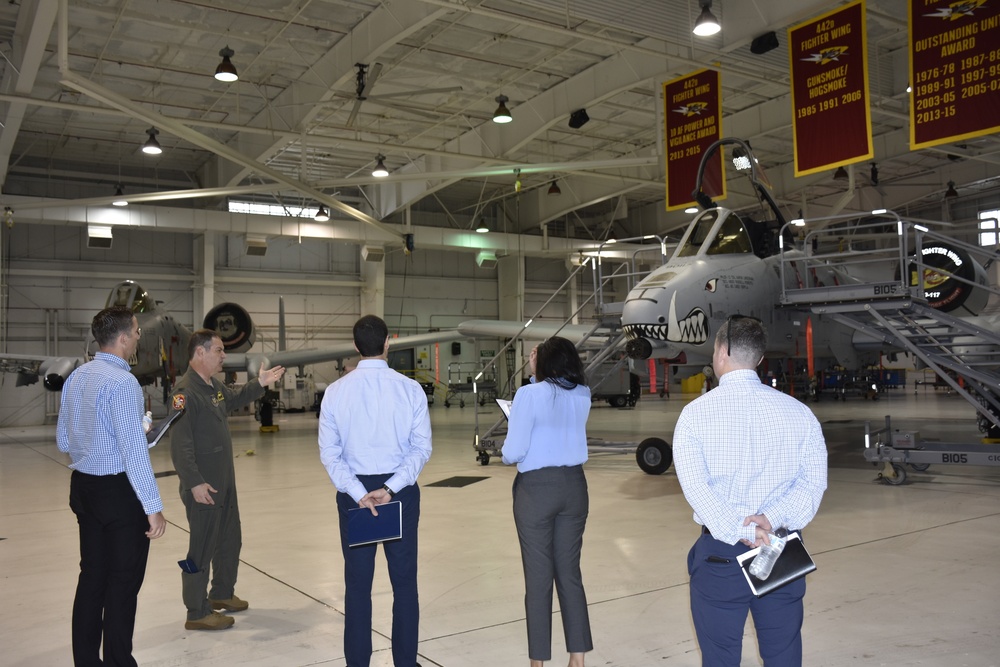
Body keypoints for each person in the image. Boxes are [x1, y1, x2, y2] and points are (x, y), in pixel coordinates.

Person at [673, 315, 828, 666]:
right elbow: (813, 483)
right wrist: (769, 522)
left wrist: (744, 530)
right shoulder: (800, 414)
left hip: (721, 555)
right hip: (779, 550)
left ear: (722, 352)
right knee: (783, 653)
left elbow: (697, 489)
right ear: (759, 359)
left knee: (721, 657)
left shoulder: (694, 415)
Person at [57, 306, 167, 667]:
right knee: (122, 585)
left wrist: (134, 429)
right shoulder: (123, 383)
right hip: (119, 496)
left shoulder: (77, 377)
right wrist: (153, 508)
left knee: (92, 578)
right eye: (136, 331)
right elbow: (134, 455)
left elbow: (63, 441)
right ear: (122, 338)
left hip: (84, 489)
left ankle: (86, 661)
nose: (138, 336)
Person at [318, 315, 430, 667]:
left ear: (355, 347)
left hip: (356, 497)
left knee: (357, 587)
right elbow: (420, 448)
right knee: (404, 585)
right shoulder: (410, 390)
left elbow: (330, 454)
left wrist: (358, 491)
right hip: (398, 494)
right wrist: (390, 488)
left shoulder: (335, 392)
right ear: (388, 343)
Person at [169, 329, 285, 630]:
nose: (224, 356)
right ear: (200, 353)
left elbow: (234, 398)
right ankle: (196, 612)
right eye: (219, 350)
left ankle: (221, 593)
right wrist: (193, 482)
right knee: (202, 546)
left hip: (224, 481)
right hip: (203, 486)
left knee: (229, 538)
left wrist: (260, 383)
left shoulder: (212, 386)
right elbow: (180, 445)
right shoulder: (185, 393)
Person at [502, 337, 593, 667]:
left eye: (535, 354)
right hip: (574, 487)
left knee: (538, 578)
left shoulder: (528, 395)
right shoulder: (583, 393)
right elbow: (555, 396)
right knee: (569, 574)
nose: (530, 357)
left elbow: (513, 451)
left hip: (537, 491)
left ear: (545, 360)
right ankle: (578, 658)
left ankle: (538, 661)